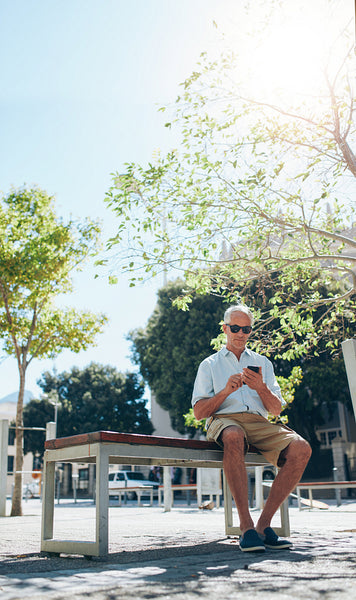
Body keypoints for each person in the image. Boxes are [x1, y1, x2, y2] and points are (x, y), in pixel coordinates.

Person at [192, 304, 311, 552]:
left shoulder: (262, 363)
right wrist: (225, 392)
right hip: (224, 420)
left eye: (245, 329)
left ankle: (263, 526)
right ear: (225, 328)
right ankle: (245, 527)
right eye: (235, 328)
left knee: (301, 448)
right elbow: (199, 413)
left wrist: (261, 388)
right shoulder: (209, 365)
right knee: (234, 435)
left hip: (258, 422)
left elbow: (276, 410)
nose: (240, 333)